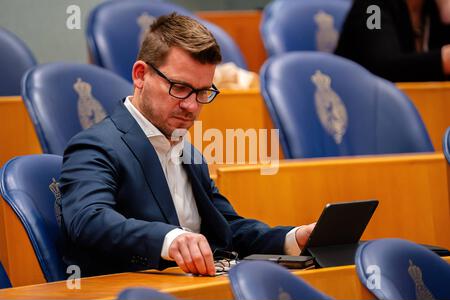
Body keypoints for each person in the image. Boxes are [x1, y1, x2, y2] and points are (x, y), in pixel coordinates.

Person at [59, 13, 316, 277]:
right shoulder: (95, 146)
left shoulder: (189, 152)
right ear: (140, 75)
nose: (192, 106)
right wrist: (169, 240)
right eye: (179, 87)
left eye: (203, 92)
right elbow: (88, 220)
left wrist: (293, 238)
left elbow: (227, 228)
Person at [335, 0, 450, 82]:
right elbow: (383, 66)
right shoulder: (372, 7)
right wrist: (443, 59)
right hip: (361, 106)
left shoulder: (433, 9)